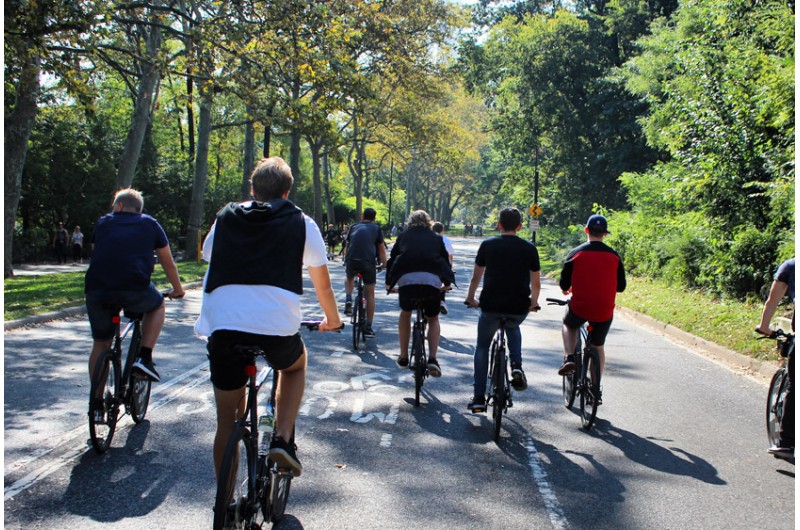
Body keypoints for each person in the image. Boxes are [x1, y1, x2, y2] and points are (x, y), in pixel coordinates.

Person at [195, 156, 342, 479]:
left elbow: (207, 254)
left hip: (223, 328)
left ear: (252, 189)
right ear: (287, 192)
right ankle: (283, 439)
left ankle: (227, 507)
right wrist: (332, 320)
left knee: (226, 422)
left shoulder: (226, 217)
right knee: (295, 366)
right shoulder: (302, 222)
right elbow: (323, 285)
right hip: (276, 328)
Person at [85, 188, 185, 396]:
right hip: (134, 287)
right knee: (157, 304)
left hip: (97, 289)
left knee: (101, 343)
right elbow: (167, 262)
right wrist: (178, 289)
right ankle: (145, 356)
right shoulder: (150, 224)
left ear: (119, 206)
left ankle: (96, 402)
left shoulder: (103, 222)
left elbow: (100, 253)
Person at [465, 207, 541, 412]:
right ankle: (516, 365)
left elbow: (476, 277)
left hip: (491, 304)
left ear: (499, 225)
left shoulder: (488, 245)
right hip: (517, 305)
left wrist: (470, 297)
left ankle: (479, 397)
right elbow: (536, 283)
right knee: (513, 326)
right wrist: (533, 303)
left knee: (482, 346)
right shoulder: (529, 248)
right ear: (520, 226)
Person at [556, 214, 626, 406]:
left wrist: (566, 289)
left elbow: (564, 283)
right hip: (604, 310)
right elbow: (621, 287)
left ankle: (570, 357)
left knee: (569, 325)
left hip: (580, 307)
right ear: (605, 234)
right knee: (598, 346)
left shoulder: (575, 253)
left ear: (586, 230)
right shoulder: (614, 255)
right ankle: (595, 389)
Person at [385, 210, 454, 376]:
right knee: (433, 318)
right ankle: (432, 359)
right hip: (431, 282)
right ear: (429, 223)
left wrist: (389, 284)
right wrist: (447, 283)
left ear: (410, 223)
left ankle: (403, 356)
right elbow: (444, 262)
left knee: (406, 313)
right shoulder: (436, 238)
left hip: (407, 282)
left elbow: (393, 260)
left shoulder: (403, 237)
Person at [756, 257, 795, 460]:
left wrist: (764, 327)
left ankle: (787, 443)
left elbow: (773, 300)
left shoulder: (791, 266)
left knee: (795, 387)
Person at [343, 208, 388, 337]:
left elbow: (347, 245)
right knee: (370, 293)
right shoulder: (376, 228)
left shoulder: (353, 226)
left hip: (352, 259)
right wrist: (384, 264)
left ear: (363, 216)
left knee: (349, 276)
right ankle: (368, 326)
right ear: (374, 218)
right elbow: (381, 250)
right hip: (367, 262)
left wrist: (346, 260)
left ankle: (348, 298)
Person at [432, 221, 454, 315]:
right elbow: (450, 256)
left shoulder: (426, 238)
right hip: (440, 267)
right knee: (444, 283)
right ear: (442, 230)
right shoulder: (445, 240)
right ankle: (441, 301)